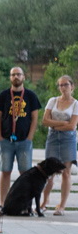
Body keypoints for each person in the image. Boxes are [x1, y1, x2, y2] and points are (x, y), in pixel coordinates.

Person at [0, 66, 41, 206]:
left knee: (25, 173)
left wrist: (30, 138)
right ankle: (3, 203)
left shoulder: (31, 96)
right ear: (10, 78)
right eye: (13, 75)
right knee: (5, 171)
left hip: (24, 141)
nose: (16, 77)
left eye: (18, 74)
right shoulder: (3, 96)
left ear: (23, 77)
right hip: (6, 140)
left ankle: (26, 204)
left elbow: (34, 119)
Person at [40, 75, 77, 216]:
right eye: (60, 85)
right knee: (48, 172)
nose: (63, 88)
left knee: (66, 173)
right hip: (52, 138)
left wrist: (55, 124)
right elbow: (45, 121)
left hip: (68, 139)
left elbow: (72, 126)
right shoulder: (52, 101)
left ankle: (61, 206)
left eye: (65, 85)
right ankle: (44, 202)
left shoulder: (75, 104)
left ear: (72, 86)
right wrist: (62, 123)